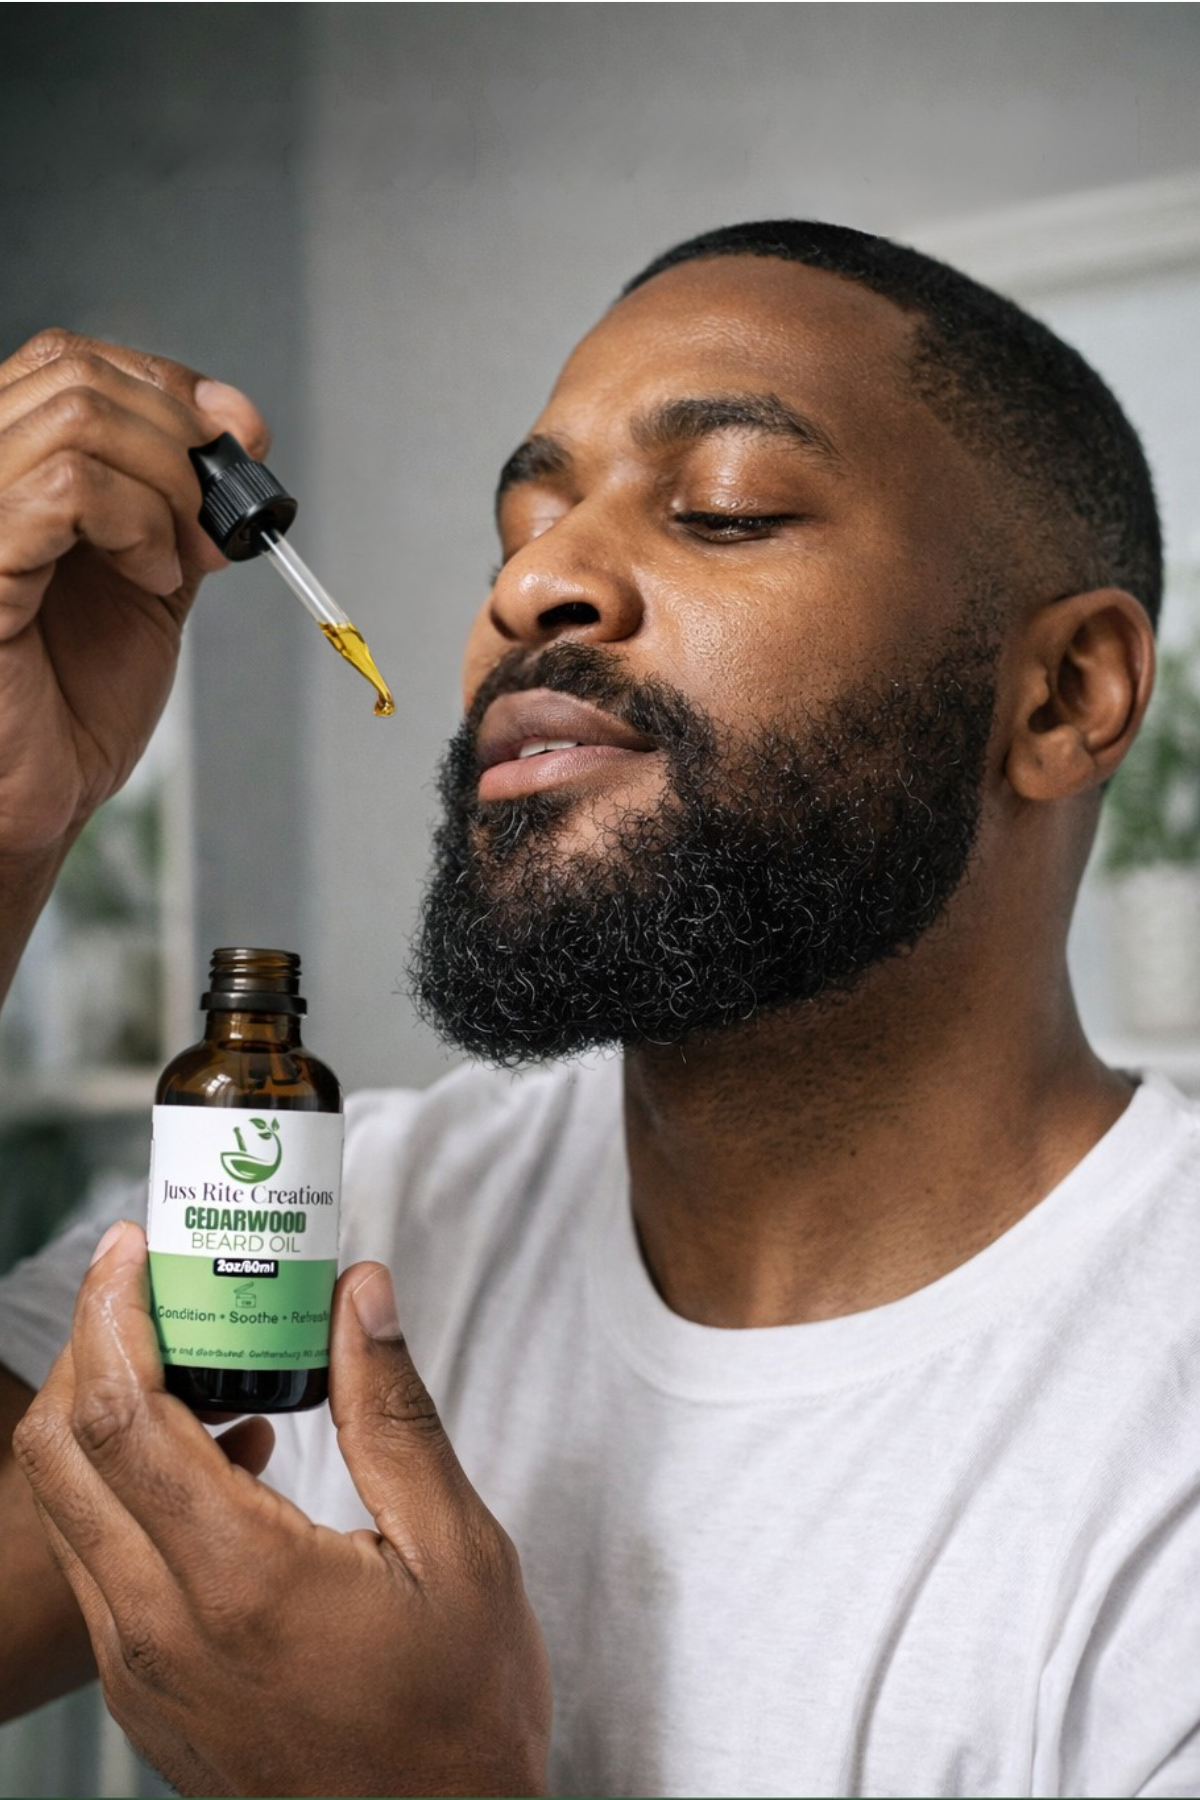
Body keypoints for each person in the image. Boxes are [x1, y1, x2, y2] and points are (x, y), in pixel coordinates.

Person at [0, 219, 1195, 1799]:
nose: (532, 581)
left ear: (1062, 696)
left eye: (724, 508)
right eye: (526, 519)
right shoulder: (339, 1223)